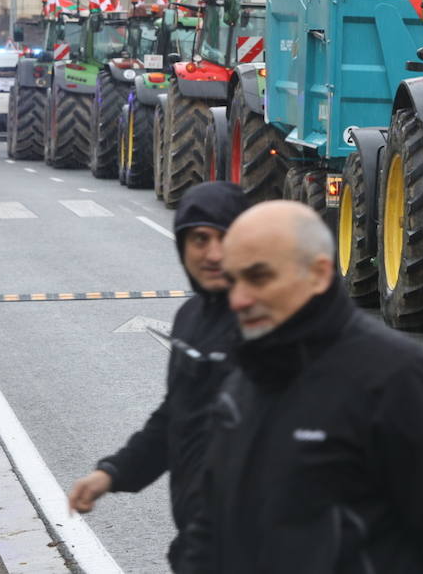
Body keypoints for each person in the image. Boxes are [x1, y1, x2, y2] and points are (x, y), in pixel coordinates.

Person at [178, 201, 423, 574]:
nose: (240, 299)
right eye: (234, 279)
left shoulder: (399, 383)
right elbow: (212, 523)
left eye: (259, 278)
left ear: (319, 274)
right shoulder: (243, 382)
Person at [67, 181, 249, 568]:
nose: (213, 254)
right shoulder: (191, 318)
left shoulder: (270, 325)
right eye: (199, 239)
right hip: (200, 542)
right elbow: (176, 418)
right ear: (182, 247)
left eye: (226, 239)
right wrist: (112, 473)